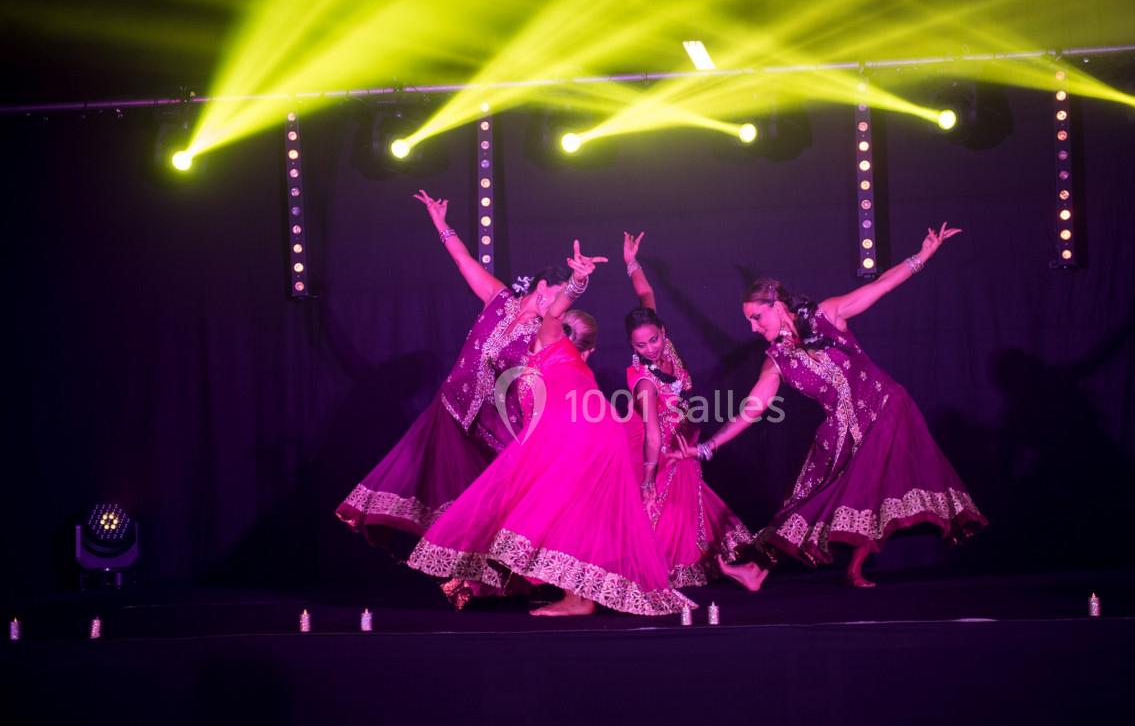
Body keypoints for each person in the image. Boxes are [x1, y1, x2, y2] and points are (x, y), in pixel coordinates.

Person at [674, 224, 986, 588]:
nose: (754, 328)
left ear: (776, 306)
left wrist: (922, 256)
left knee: (862, 486)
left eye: (756, 318)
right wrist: (706, 448)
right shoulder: (775, 361)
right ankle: (758, 571)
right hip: (839, 433)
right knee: (807, 498)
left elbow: (881, 285)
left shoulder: (827, 315)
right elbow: (752, 410)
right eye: (749, 322)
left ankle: (827, 565)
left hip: (884, 410)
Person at [407, 245, 694, 617]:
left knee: (525, 504)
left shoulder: (549, 341)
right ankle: (579, 597)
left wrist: (576, 281)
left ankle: (569, 596)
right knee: (577, 514)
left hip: (572, 436)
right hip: (599, 433)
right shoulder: (574, 362)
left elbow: (556, 310)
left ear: (564, 330)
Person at [336, 191, 575, 553]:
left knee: (497, 504)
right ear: (542, 286)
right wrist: (441, 224)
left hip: (493, 429)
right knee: (419, 480)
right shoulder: (499, 300)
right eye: (558, 294)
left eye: (566, 300)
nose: (560, 305)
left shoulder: (543, 334)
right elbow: (464, 260)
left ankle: (506, 570)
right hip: (451, 411)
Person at [621, 231, 753, 587]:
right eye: (640, 345)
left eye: (654, 339)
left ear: (664, 332)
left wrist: (632, 263)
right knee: (666, 515)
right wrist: (648, 477)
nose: (650, 348)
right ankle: (643, 576)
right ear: (631, 346)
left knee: (692, 511)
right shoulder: (644, 380)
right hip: (662, 450)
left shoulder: (666, 348)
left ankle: (733, 568)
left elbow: (646, 295)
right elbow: (651, 431)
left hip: (683, 440)